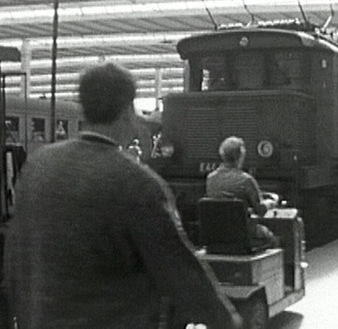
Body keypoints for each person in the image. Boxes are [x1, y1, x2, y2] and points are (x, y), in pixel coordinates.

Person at [3, 62, 241, 329]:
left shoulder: (38, 167)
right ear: (128, 110)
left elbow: (14, 262)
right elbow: (183, 275)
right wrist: (227, 321)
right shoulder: (136, 182)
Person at [206, 136, 277, 246]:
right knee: (273, 238)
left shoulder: (210, 179)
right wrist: (272, 202)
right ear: (240, 156)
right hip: (243, 234)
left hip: (218, 234)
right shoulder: (246, 180)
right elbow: (260, 210)